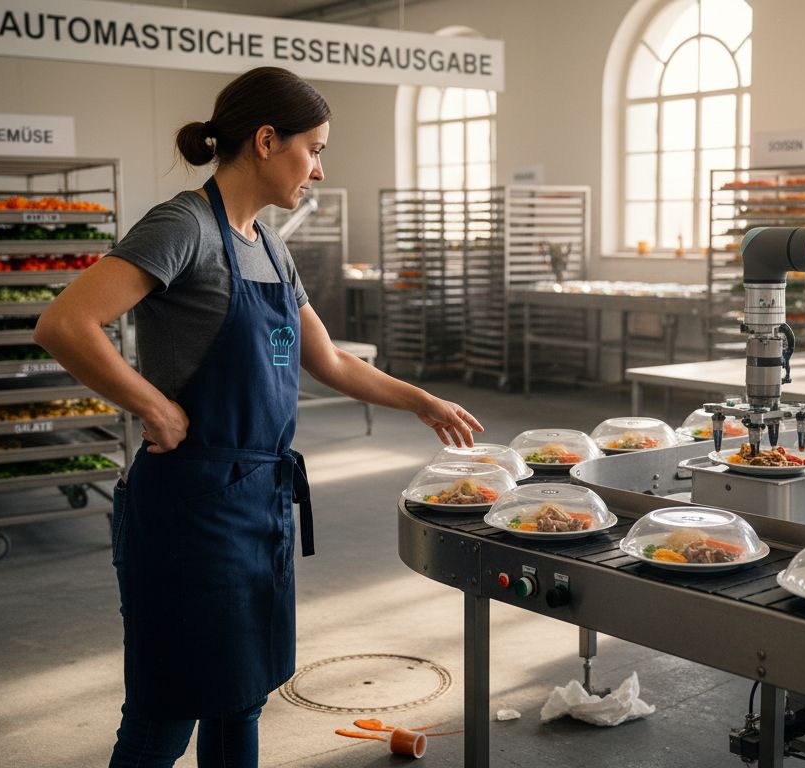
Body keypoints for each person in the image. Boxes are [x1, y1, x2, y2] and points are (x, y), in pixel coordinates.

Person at [34, 66, 483, 768]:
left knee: (240, 696)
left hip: (257, 508)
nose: (320, 168)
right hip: (188, 514)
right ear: (268, 140)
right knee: (165, 713)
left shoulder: (270, 246)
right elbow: (66, 322)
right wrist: (153, 405)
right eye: (314, 147)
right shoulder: (183, 225)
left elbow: (329, 360)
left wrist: (422, 400)